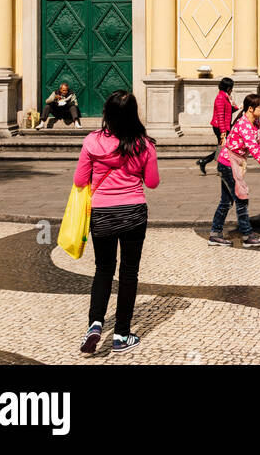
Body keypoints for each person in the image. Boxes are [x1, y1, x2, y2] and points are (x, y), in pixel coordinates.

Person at [75, 90, 159, 356]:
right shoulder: (144, 144)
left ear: (106, 114)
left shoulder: (91, 142)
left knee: (103, 270)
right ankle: (121, 334)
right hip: (133, 212)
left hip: (102, 214)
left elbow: (79, 181)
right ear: (134, 113)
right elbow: (153, 182)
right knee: (129, 273)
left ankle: (95, 325)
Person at [208, 93, 260, 249]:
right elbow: (253, 147)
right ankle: (247, 236)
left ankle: (215, 234)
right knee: (241, 199)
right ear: (250, 109)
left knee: (226, 202)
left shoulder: (255, 122)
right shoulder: (244, 124)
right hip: (227, 163)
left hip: (234, 163)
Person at [197, 77, 236, 176]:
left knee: (222, 147)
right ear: (228, 88)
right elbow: (220, 116)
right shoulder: (220, 98)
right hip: (220, 127)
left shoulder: (225, 97)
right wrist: (223, 132)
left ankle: (206, 162)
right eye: (231, 88)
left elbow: (228, 111)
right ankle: (212, 165)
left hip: (224, 127)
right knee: (223, 147)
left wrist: (235, 106)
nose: (232, 90)